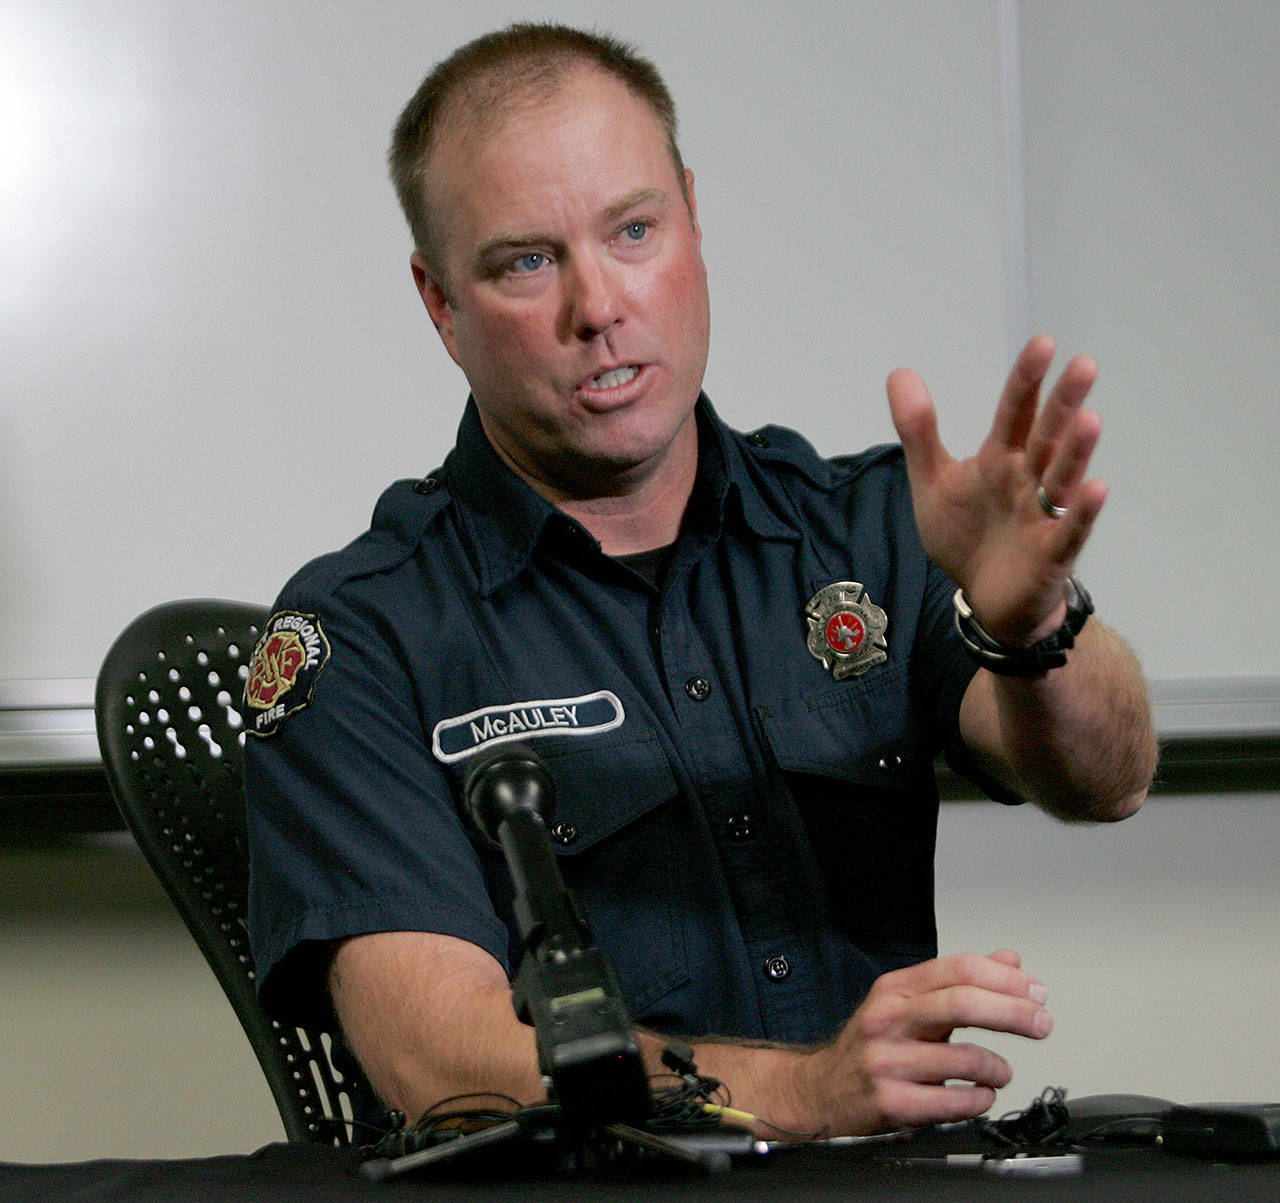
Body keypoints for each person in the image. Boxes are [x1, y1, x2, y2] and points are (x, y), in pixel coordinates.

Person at [243, 22, 1157, 1140]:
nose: (598, 307)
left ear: (691, 217)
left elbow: (1105, 781)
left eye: (633, 231)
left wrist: (1031, 628)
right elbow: (437, 1059)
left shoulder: (867, 528)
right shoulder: (363, 635)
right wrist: (793, 1097)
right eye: (527, 260)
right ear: (442, 304)